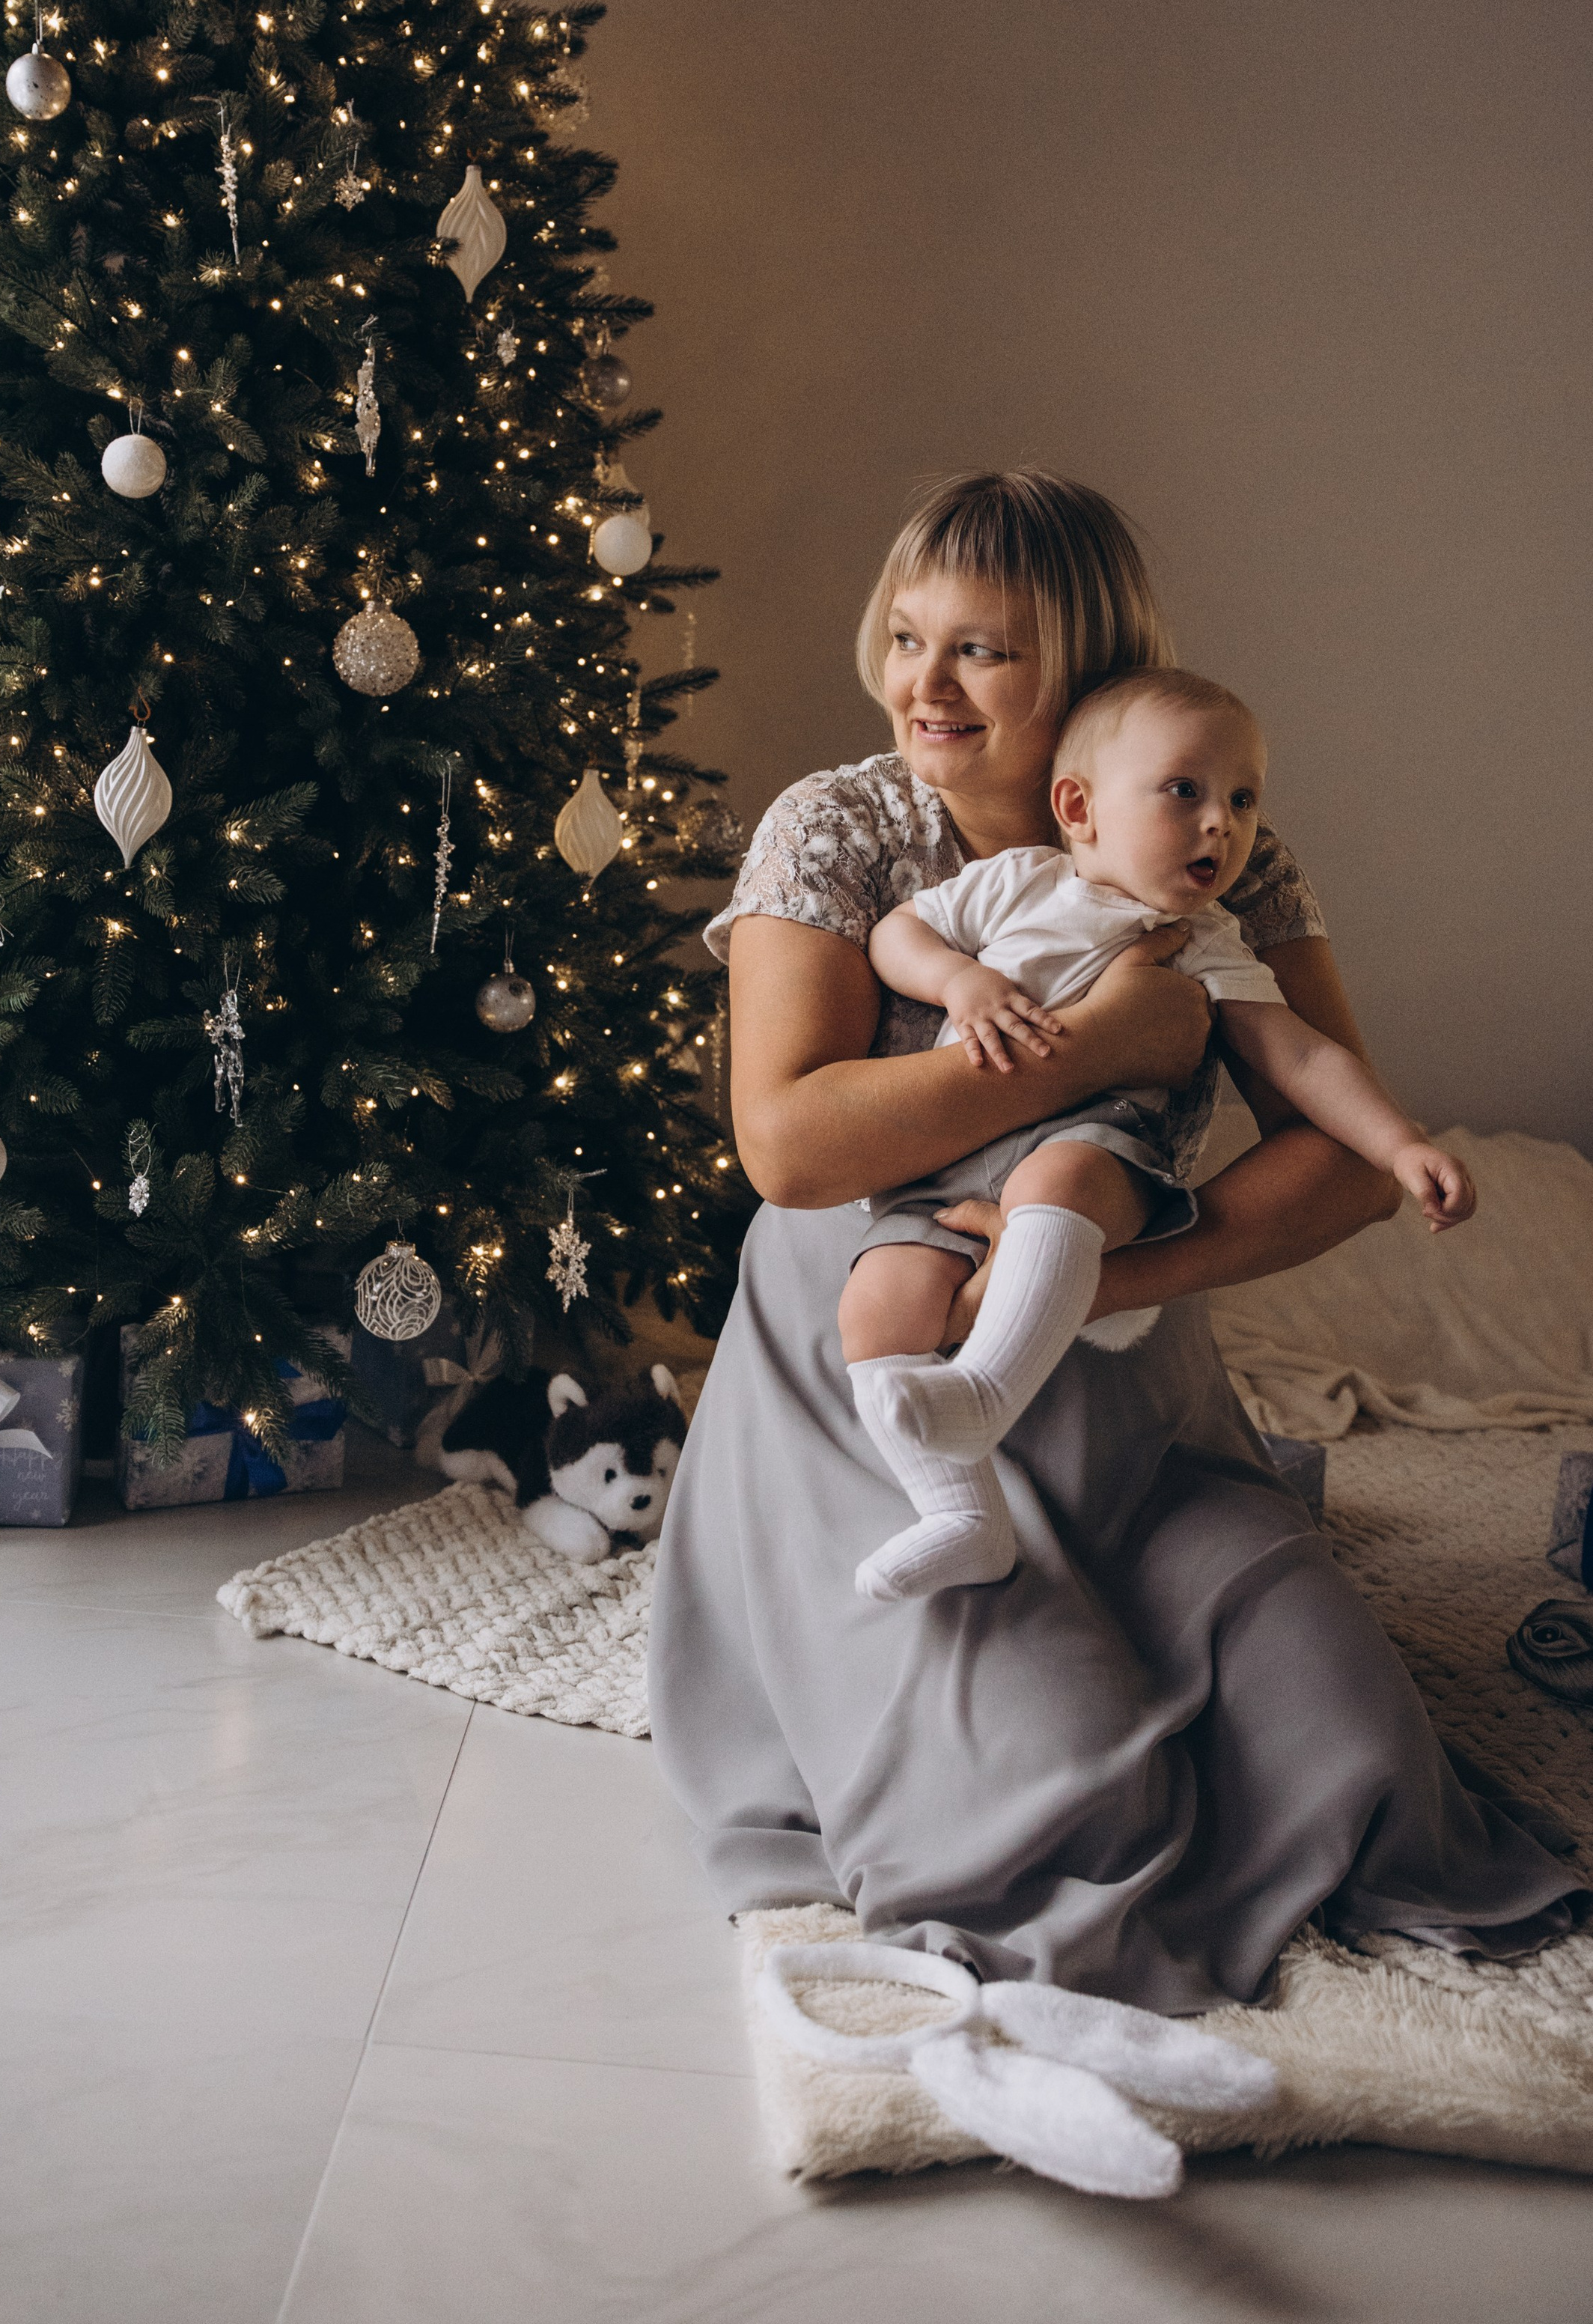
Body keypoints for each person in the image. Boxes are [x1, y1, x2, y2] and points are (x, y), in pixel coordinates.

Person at [648, 467, 1581, 2013]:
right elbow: (787, 1146)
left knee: (1355, 1769)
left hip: (1113, 1375)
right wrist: (1091, 1046)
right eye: (903, 634)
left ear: (1080, 675)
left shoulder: (1211, 842)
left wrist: (1110, 1282)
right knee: (1050, 1818)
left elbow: (1341, 1163)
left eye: (979, 651)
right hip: (872, 1377)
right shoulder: (839, 829)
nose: (920, 684)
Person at [839, 664, 1476, 1601]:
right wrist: (957, 981)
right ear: (1079, 807)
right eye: (1185, 790)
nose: (1221, 820)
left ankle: (984, 1393)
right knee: (876, 1306)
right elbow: (899, 933)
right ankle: (960, 1516)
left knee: (1052, 1187)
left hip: (1100, 1147)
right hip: (944, 1159)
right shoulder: (1018, 882)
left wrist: (1400, 1143)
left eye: (1242, 798)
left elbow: (1302, 1060)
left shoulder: (1207, 941)